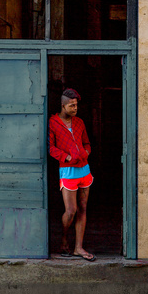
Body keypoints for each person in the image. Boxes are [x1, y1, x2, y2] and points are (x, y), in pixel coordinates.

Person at [48, 88, 96, 261]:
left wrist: (86, 152)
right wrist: (66, 157)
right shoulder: (53, 123)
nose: (75, 108)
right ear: (63, 105)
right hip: (67, 170)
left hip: (84, 170)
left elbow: (87, 143)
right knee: (71, 210)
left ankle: (78, 247)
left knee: (83, 209)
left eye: (76, 105)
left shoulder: (79, 122)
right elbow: (51, 148)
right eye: (71, 105)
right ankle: (63, 238)